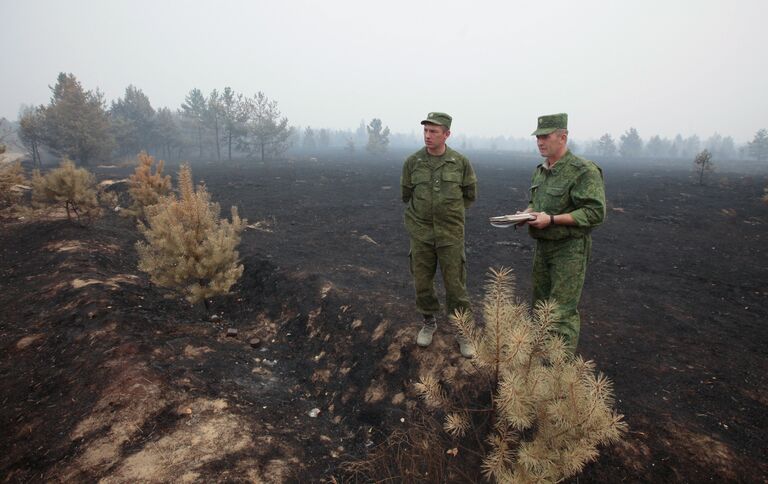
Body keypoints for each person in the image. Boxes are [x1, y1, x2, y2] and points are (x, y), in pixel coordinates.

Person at [517, 113, 606, 352]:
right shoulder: (541, 170)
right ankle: (538, 366)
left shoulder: (583, 171)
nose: (540, 142)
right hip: (543, 248)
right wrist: (526, 214)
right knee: (540, 308)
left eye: (545, 137)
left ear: (563, 137)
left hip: (569, 251)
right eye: (538, 137)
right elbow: (537, 204)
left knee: (561, 314)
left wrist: (553, 220)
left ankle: (558, 374)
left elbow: (595, 213)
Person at [401, 112, 477, 358]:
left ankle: (463, 332)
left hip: (450, 235)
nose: (428, 135)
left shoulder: (460, 162)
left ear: (447, 134)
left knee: (456, 286)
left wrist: (447, 214)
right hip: (421, 233)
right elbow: (406, 194)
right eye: (425, 130)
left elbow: (469, 194)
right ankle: (428, 322)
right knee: (422, 282)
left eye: (434, 131)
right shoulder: (413, 162)